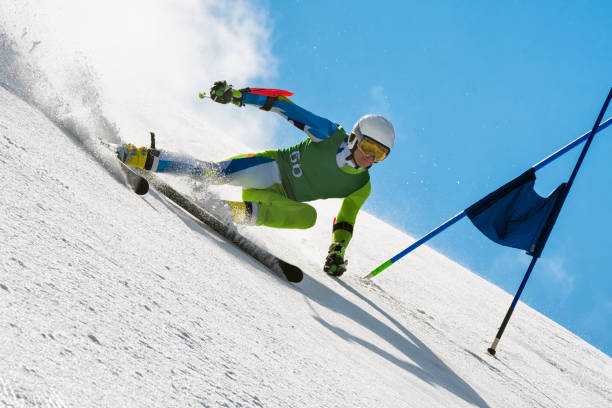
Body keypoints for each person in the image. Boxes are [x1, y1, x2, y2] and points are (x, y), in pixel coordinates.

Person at [118, 81, 395, 277]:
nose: (370, 158)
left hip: (275, 201)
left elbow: (346, 219)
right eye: (369, 148)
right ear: (354, 138)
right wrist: (240, 95)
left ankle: (230, 211)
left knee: (307, 217)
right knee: (214, 173)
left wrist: (337, 250)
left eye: (380, 155)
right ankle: (145, 157)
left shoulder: (360, 185)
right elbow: (285, 108)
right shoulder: (328, 134)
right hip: (271, 168)